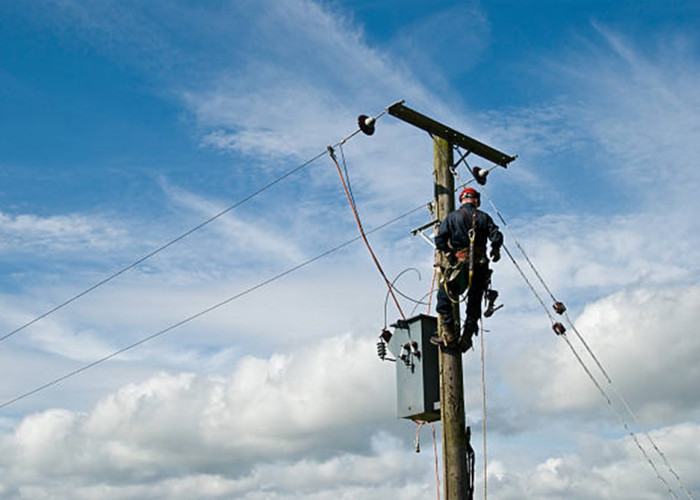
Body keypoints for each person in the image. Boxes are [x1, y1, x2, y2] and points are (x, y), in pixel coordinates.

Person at [434, 187, 503, 351]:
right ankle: (466, 338)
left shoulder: (452, 217)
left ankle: (448, 333)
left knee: (445, 296)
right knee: (474, 303)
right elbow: (497, 236)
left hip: (462, 265)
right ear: (476, 200)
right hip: (480, 266)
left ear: (461, 200)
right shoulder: (484, 218)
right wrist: (495, 249)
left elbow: (440, 240)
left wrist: (449, 253)